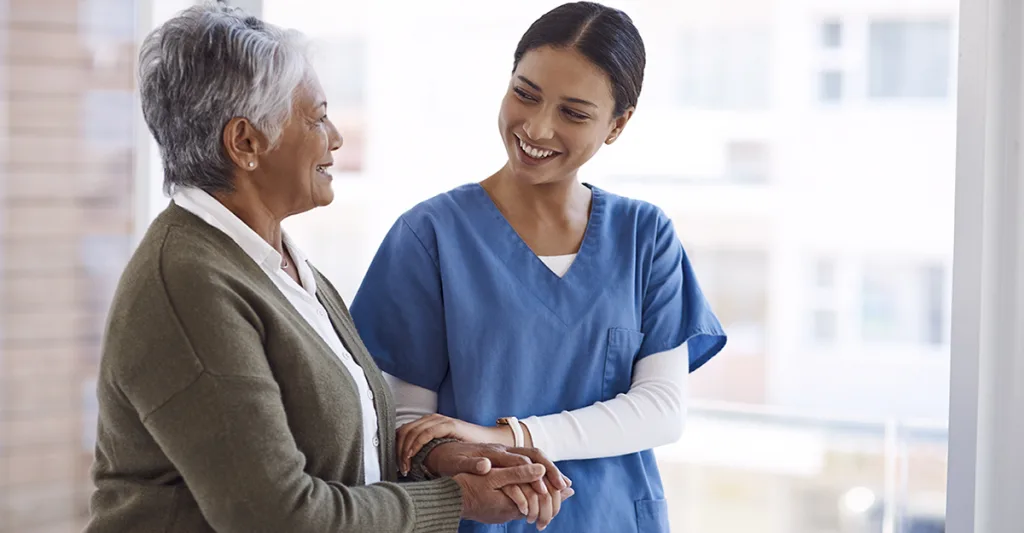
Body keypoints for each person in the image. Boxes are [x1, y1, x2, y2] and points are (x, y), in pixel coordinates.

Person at [83, 3, 573, 533]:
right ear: (246, 142)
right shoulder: (189, 284)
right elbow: (277, 518)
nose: (335, 137)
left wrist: (441, 461)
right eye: (316, 117)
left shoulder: (278, 265)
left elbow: (338, 460)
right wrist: (454, 499)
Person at [350, 2, 728, 532]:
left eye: (574, 113)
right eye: (524, 94)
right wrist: (467, 454)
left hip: (614, 518)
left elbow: (662, 408)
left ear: (618, 125)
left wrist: (509, 436)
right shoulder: (430, 235)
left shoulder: (644, 236)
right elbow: (409, 425)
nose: (537, 127)